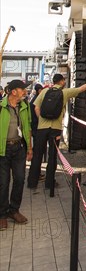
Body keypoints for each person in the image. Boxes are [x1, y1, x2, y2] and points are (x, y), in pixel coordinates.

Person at [27, 73, 86, 189]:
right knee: (53, 157)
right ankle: (50, 184)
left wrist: (41, 120)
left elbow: (36, 107)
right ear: (62, 81)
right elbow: (82, 88)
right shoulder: (65, 92)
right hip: (55, 129)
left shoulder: (44, 92)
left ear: (53, 81)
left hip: (42, 129)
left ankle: (32, 183)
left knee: (37, 155)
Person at [0, 79, 33, 230]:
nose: (25, 91)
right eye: (22, 89)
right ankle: (2, 215)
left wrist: (30, 149)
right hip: (3, 150)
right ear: (14, 92)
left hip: (19, 148)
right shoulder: (1, 107)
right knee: (3, 183)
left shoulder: (25, 106)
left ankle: (14, 210)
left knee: (19, 179)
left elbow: (28, 128)